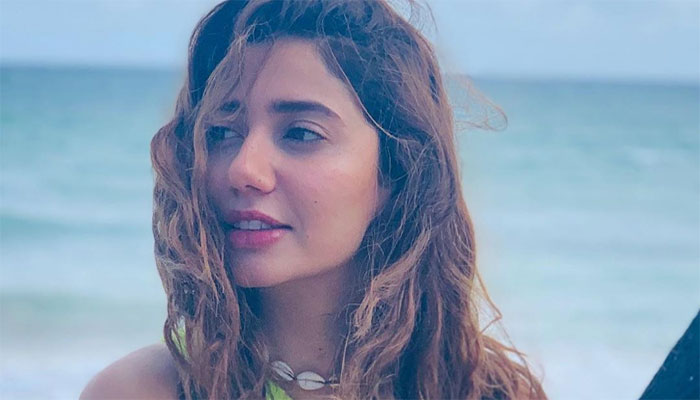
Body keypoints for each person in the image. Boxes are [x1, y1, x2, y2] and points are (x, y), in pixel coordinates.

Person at [81, 0, 546, 399]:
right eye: (221, 132)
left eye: (301, 133)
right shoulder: (141, 391)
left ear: (396, 170)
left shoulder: (486, 390)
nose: (243, 168)